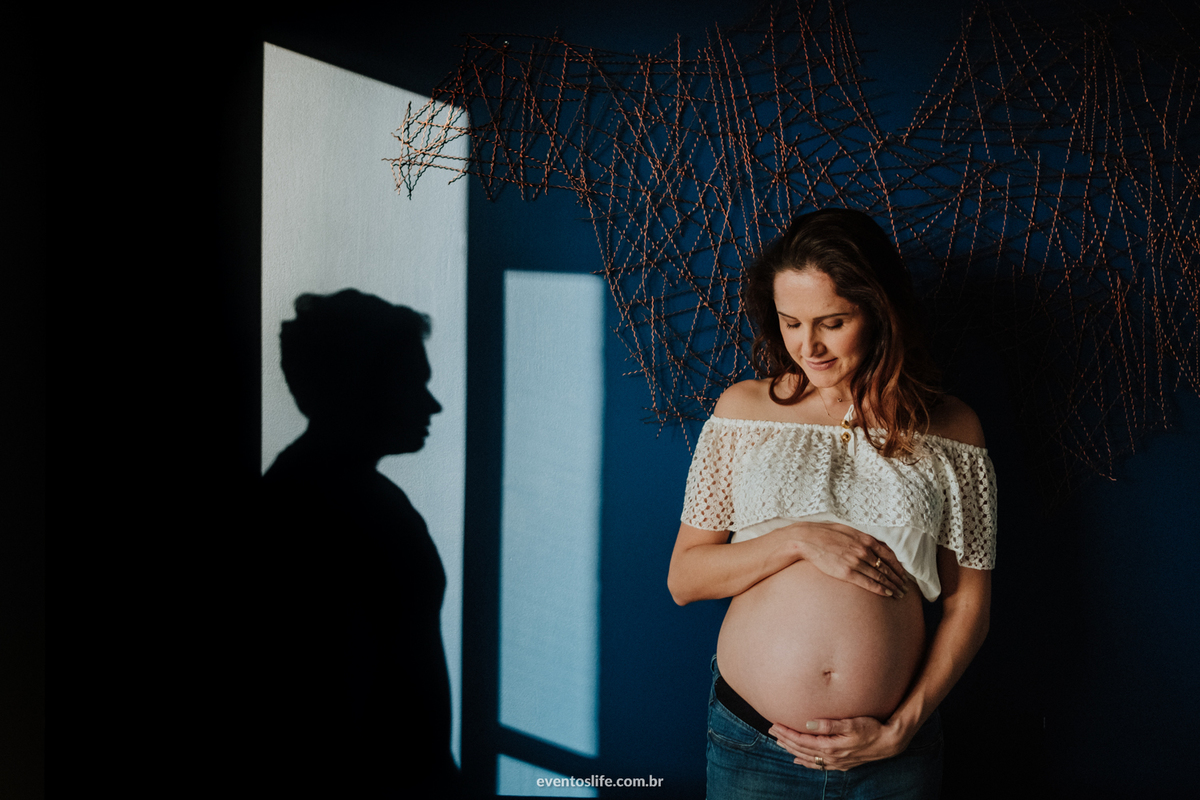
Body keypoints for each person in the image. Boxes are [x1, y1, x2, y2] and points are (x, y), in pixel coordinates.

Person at [667, 209, 996, 799]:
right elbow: (685, 578)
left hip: (894, 755)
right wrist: (798, 538)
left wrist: (903, 727)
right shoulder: (743, 411)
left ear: (880, 312)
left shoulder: (952, 428)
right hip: (754, 745)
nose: (807, 345)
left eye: (832, 321)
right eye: (790, 322)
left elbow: (968, 602)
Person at [259, 289, 461, 797]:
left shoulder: (330, 491)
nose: (432, 403)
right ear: (360, 387)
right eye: (413, 384)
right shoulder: (332, 508)